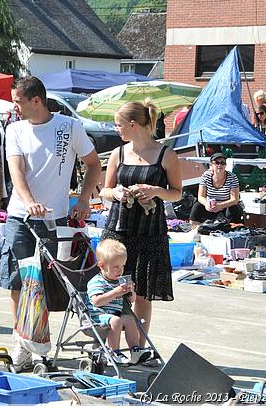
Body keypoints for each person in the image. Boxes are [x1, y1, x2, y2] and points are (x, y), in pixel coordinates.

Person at [0, 76, 101, 370]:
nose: (14, 106)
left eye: (18, 100)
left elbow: (93, 164)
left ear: (36, 100)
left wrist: (82, 200)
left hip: (55, 219)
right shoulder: (15, 129)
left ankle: (42, 341)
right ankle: (22, 344)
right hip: (21, 217)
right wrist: (29, 201)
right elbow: (16, 171)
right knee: (18, 282)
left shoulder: (69, 127)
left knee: (49, 284)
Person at [99, 99, 181, 363]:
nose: (116, 129)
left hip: (149, 231)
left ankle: (138, 349)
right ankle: (110, 346)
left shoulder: (166, 155)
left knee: (143, 292)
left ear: (133, 125)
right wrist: (117, 192)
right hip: (119, 231)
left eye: (119, 124)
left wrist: (156, 191)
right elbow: (104, 190)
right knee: (111, 288)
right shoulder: (118, 154)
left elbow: (177, 193)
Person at [86, 239, 143, 364]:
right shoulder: (97, 281)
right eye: (115, 267)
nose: (120, 270)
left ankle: (135, 350)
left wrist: (130, 292)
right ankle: (113, 352)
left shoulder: (119, 281)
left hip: (115, 314)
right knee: (116, 320)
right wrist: (116, 292)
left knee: (129, 319)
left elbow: (131, 300)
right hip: (98, 316)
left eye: (122, 266)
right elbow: (96, 301)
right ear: (101, 266)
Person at [189, 152, 243, 224]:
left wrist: (219, 205)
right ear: (211, 164)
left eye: (222, 163)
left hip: (226, 206)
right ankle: (194, 227)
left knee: (234, 208)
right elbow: (201, 196)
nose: (220, 165)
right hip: (211, 207)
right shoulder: (206, 176)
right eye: (217, 163)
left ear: (225, 165)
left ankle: (233, 228)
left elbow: (234, 199)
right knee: (197, 206)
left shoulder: (232, 177)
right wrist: (206, 204)